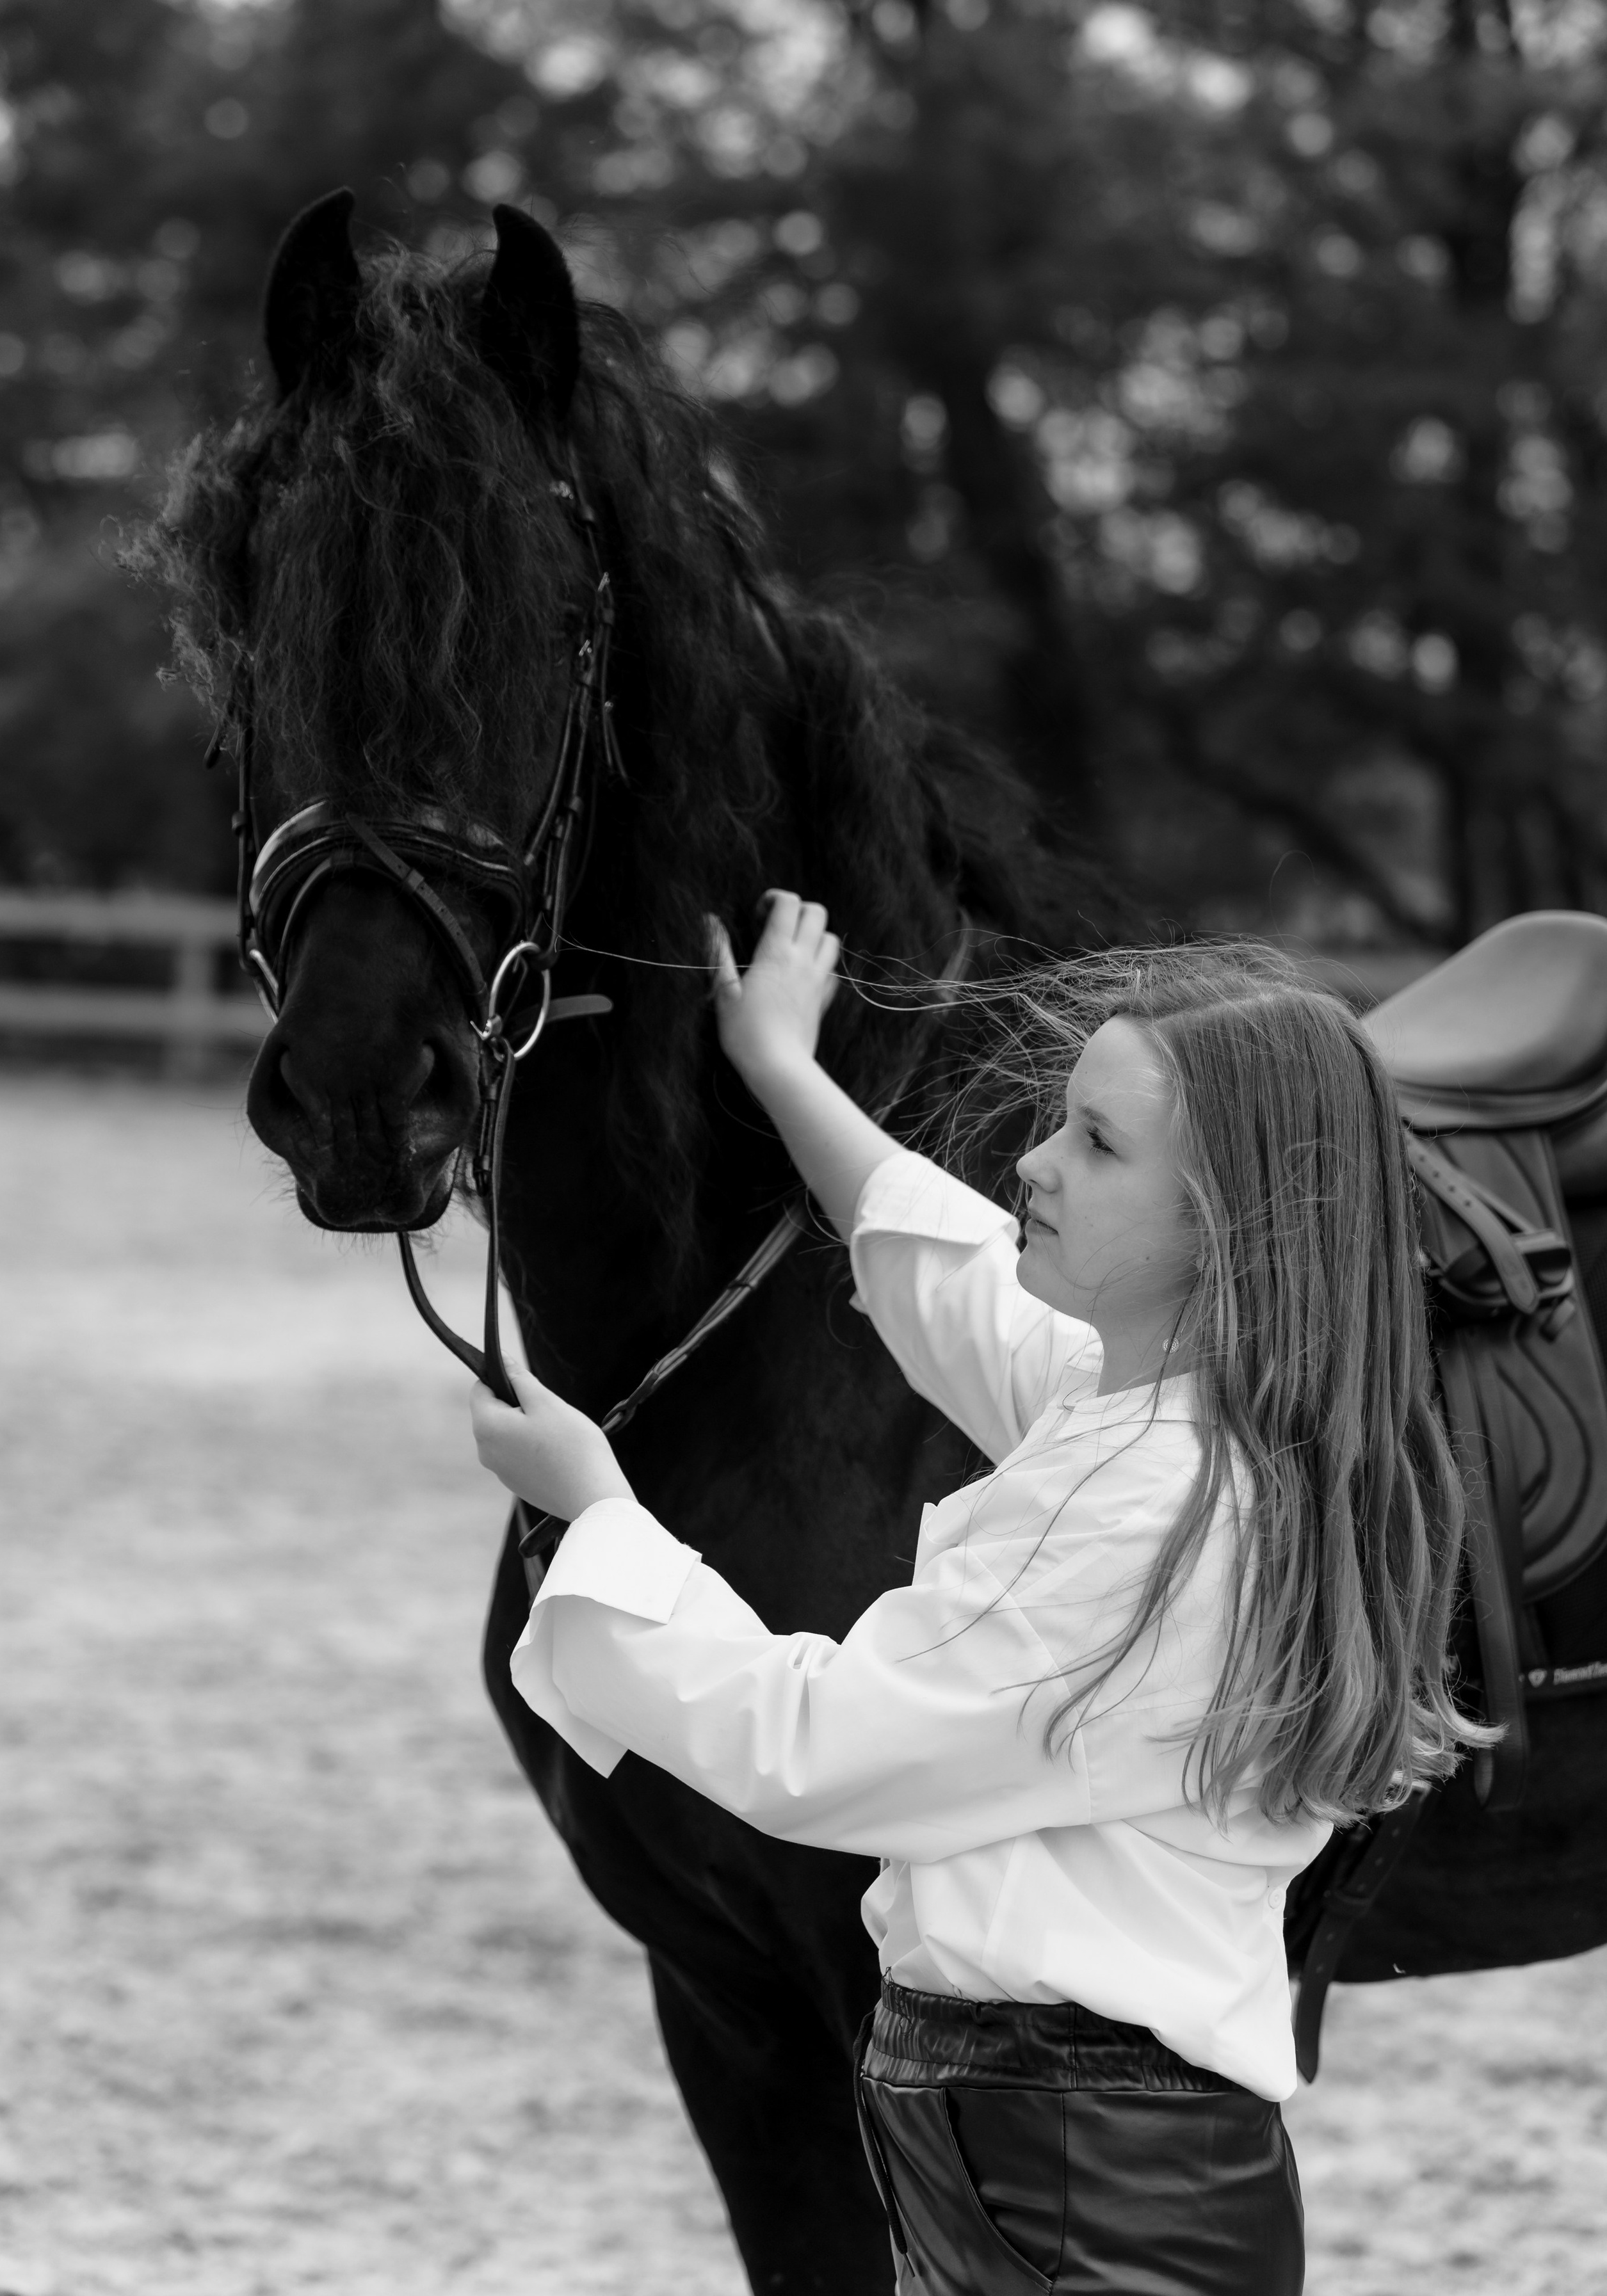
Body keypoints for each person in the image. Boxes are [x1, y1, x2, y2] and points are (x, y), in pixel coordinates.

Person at [471, 892, 1483, 2295]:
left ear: (1225, 1224)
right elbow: (935, 1268)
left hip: (1088, 2204)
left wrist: (596, 1509)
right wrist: (780, 1067)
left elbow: (814, 1747)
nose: (1031, 1160)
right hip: (1055, 2175)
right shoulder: (1158, 1409)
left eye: (1094, 1143)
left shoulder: (1154, 1511)